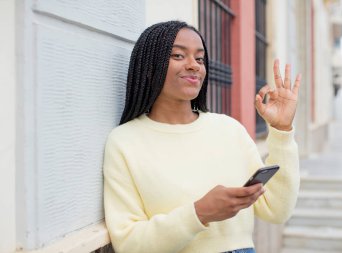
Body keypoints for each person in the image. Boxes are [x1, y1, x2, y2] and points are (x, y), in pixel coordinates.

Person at [103, 20, 301, 253]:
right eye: (178, 56)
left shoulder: (229, 130)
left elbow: (277, 209)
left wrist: (282, 131)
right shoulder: (125, 142)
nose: (194, 66)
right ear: (149, 66)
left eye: (199, 59)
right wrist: (199, 213)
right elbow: (129, 243)